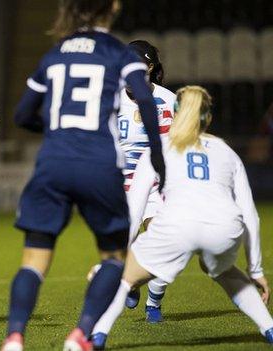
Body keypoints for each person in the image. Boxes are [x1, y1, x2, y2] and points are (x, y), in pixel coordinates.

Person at [0, 1, 166, 350]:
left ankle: (15, 336)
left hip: (53, 163)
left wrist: (57, 129)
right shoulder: (118, 53)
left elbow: (22, 115)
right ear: (113, 9)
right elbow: (149, 104)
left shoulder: (55, 53)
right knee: (114, 258)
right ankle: (80, 334)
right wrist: (158, 158)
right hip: (99, 165)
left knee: (33, 260)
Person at [87, 85, 273, 348]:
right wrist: (256, 270)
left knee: (127, 277)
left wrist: (117, 257)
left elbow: (135, 210)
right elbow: (250, 215)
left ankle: (98, 335)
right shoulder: (227, 151)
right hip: (224, 227)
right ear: (208, 117)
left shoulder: (157, 148)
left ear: (174, 113)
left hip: (177, 224)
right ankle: (270, 328)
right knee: (223, 271)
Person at [115, 39, 175, 322]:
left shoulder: (168, 100)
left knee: (164, 243)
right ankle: (134, 282)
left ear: (150, 67)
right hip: (121, 186)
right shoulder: (110, 97)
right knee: (120, 247)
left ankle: (154, 302)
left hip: (157, 185)